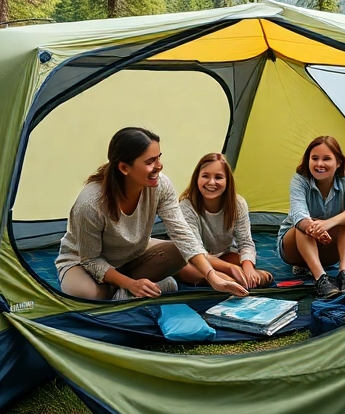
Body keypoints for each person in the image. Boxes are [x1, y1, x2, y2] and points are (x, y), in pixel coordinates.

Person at [55, 127, 249, 301]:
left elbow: (182, 234)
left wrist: (212, 277)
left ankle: (132, 290)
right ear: (124, 168)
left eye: (159, 158)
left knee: (181, 250)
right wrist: (130, 284)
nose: (159, 166)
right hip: (84, 263)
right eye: (150, 161)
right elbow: (90, 260)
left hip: (133, 254)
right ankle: (140, 288)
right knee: (89, 295)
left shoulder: (161, 185)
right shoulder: (90, 204)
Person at [278, 135, 345, 299]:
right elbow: (298, 214)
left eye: (326, 159)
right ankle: (321, 279)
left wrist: (328, 224)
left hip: (328, 247)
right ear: (308, 160)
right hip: (294, 248)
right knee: (304, 224)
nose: (319, 164)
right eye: (314, 158)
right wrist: (316, 227)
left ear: (338, 162)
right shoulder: (300, 180)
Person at [175, 152, 273, 289]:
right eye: (205, 176)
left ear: (227, 181)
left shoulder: (238, 204)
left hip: (225, 255)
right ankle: (226, 279)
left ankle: (235, 279)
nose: (211, 182)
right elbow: (194, 250)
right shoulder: (187, 205)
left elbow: (245, 243)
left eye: (218, 177)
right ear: (197, 178)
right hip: (197, 260)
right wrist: (231, 269)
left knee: (241, 260)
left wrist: (248, 267)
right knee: (183, 268)